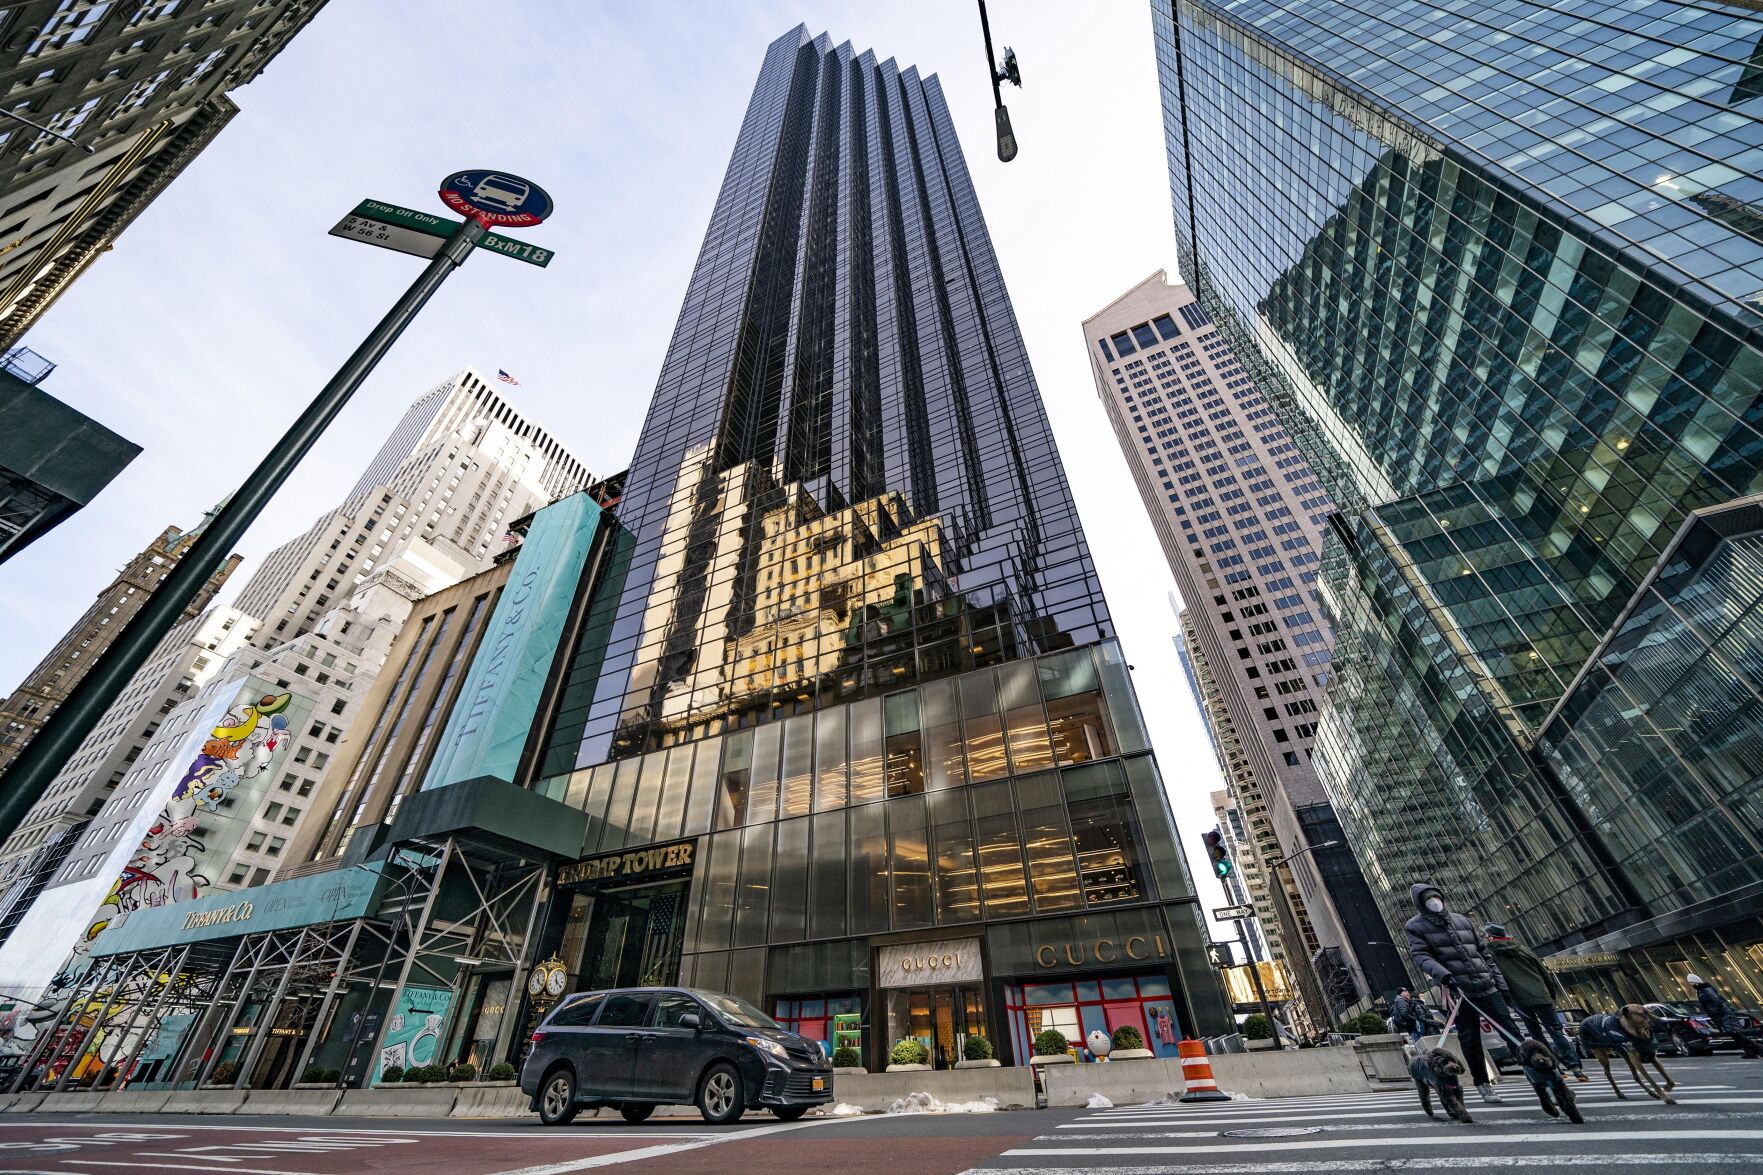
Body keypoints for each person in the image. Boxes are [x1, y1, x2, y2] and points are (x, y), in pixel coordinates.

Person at [1402, 882, 1530, 1104]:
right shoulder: (1415, 926)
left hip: (1487, 986)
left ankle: (1535, 1075)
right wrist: (1445, 976)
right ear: (1420, 904)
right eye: (1427, 899)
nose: (1434, 901)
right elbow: (1421, 956)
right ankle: (1482, 1083)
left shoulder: (1462, 920)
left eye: (1436, 897)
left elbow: (1484, 954)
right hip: (1457, 992)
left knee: (1511, 1031)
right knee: (1470, 1040)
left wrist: (1501, 985)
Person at [1483, 923, 1586, 1081]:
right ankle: (1575, 1067)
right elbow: (1543, 972)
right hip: (1541, 994)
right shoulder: (1523, 948)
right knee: (1556, 1031)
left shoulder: (1490, 953)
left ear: (1490, 937)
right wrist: (1551, 994)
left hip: (1518, 998)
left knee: (1536, 1034)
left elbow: (1494, 976)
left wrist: (1506, 998)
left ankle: (1554, 1066)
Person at [1687, 973, 1763, 1059]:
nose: (1691, 985)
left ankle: (1756, 1050)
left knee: (1736, 1034)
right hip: (1722, 1015)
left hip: (1724, 1014)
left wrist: (1717, 1011)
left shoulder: (1706, 989)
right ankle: (1751, 1051)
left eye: (1691, 983)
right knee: (1736, 1034)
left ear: (1696, 982)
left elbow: (1717, 1001)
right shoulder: (1702, 990)